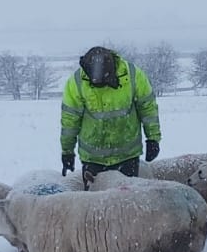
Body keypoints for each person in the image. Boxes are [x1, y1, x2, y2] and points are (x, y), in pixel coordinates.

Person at [60, 45, 160, 184]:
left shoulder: (132, 75)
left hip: (127, 156)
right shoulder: (76, 83)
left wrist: (153, 139)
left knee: (126, 201)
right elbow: (70, 121)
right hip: (93, 158)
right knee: (95, 204)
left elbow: (148, 108)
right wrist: (67, 152)